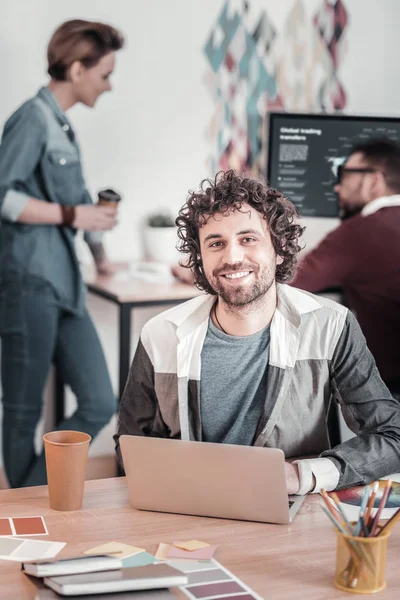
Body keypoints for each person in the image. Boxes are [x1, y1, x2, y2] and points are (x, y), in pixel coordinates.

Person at [115, 170, 400, 495]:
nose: (232, 257)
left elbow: (391, 435)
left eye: (248, 239)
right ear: (200, 259)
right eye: (216, 243)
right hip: (187, 506)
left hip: (291, 504)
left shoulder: (330, 325)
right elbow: (130, 446)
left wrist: (300, 474)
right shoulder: (161, 334)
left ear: (278, 249)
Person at [0, 19, 125, 488]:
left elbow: (71, 197)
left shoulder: (60, 124)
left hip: (65, 282)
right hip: (29, 284)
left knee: (99, 400)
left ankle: (30, 495)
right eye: (105, 74)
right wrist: (75, 216)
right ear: (77, 69)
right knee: (22, 412)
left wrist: (98, 247)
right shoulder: (32, 118)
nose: (108, 85)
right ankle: (29, 511)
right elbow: (3, 197)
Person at [292, 138, 400, 399]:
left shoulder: (361, 231)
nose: (338, 188)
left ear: (373, 180)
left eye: (346, 175)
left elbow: (287, 279)